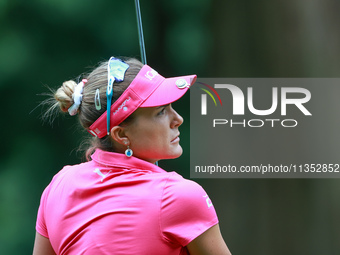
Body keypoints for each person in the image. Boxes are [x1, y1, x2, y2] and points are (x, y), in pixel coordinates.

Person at [33, 57, 232, 255]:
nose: (177, 119)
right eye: (161, 112)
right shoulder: (178, 196)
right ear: (121, 135)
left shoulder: (58, 186)